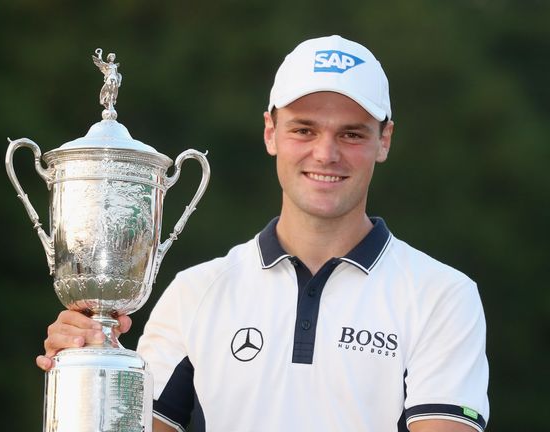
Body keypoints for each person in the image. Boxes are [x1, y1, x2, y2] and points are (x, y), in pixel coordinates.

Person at [37, 35, 490, 432]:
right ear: (271, 132)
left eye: (351, 134)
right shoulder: (196, 293)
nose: (326, 153)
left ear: (384, 140)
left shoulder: (442, 296)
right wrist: (89, 372)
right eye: (304, 130)